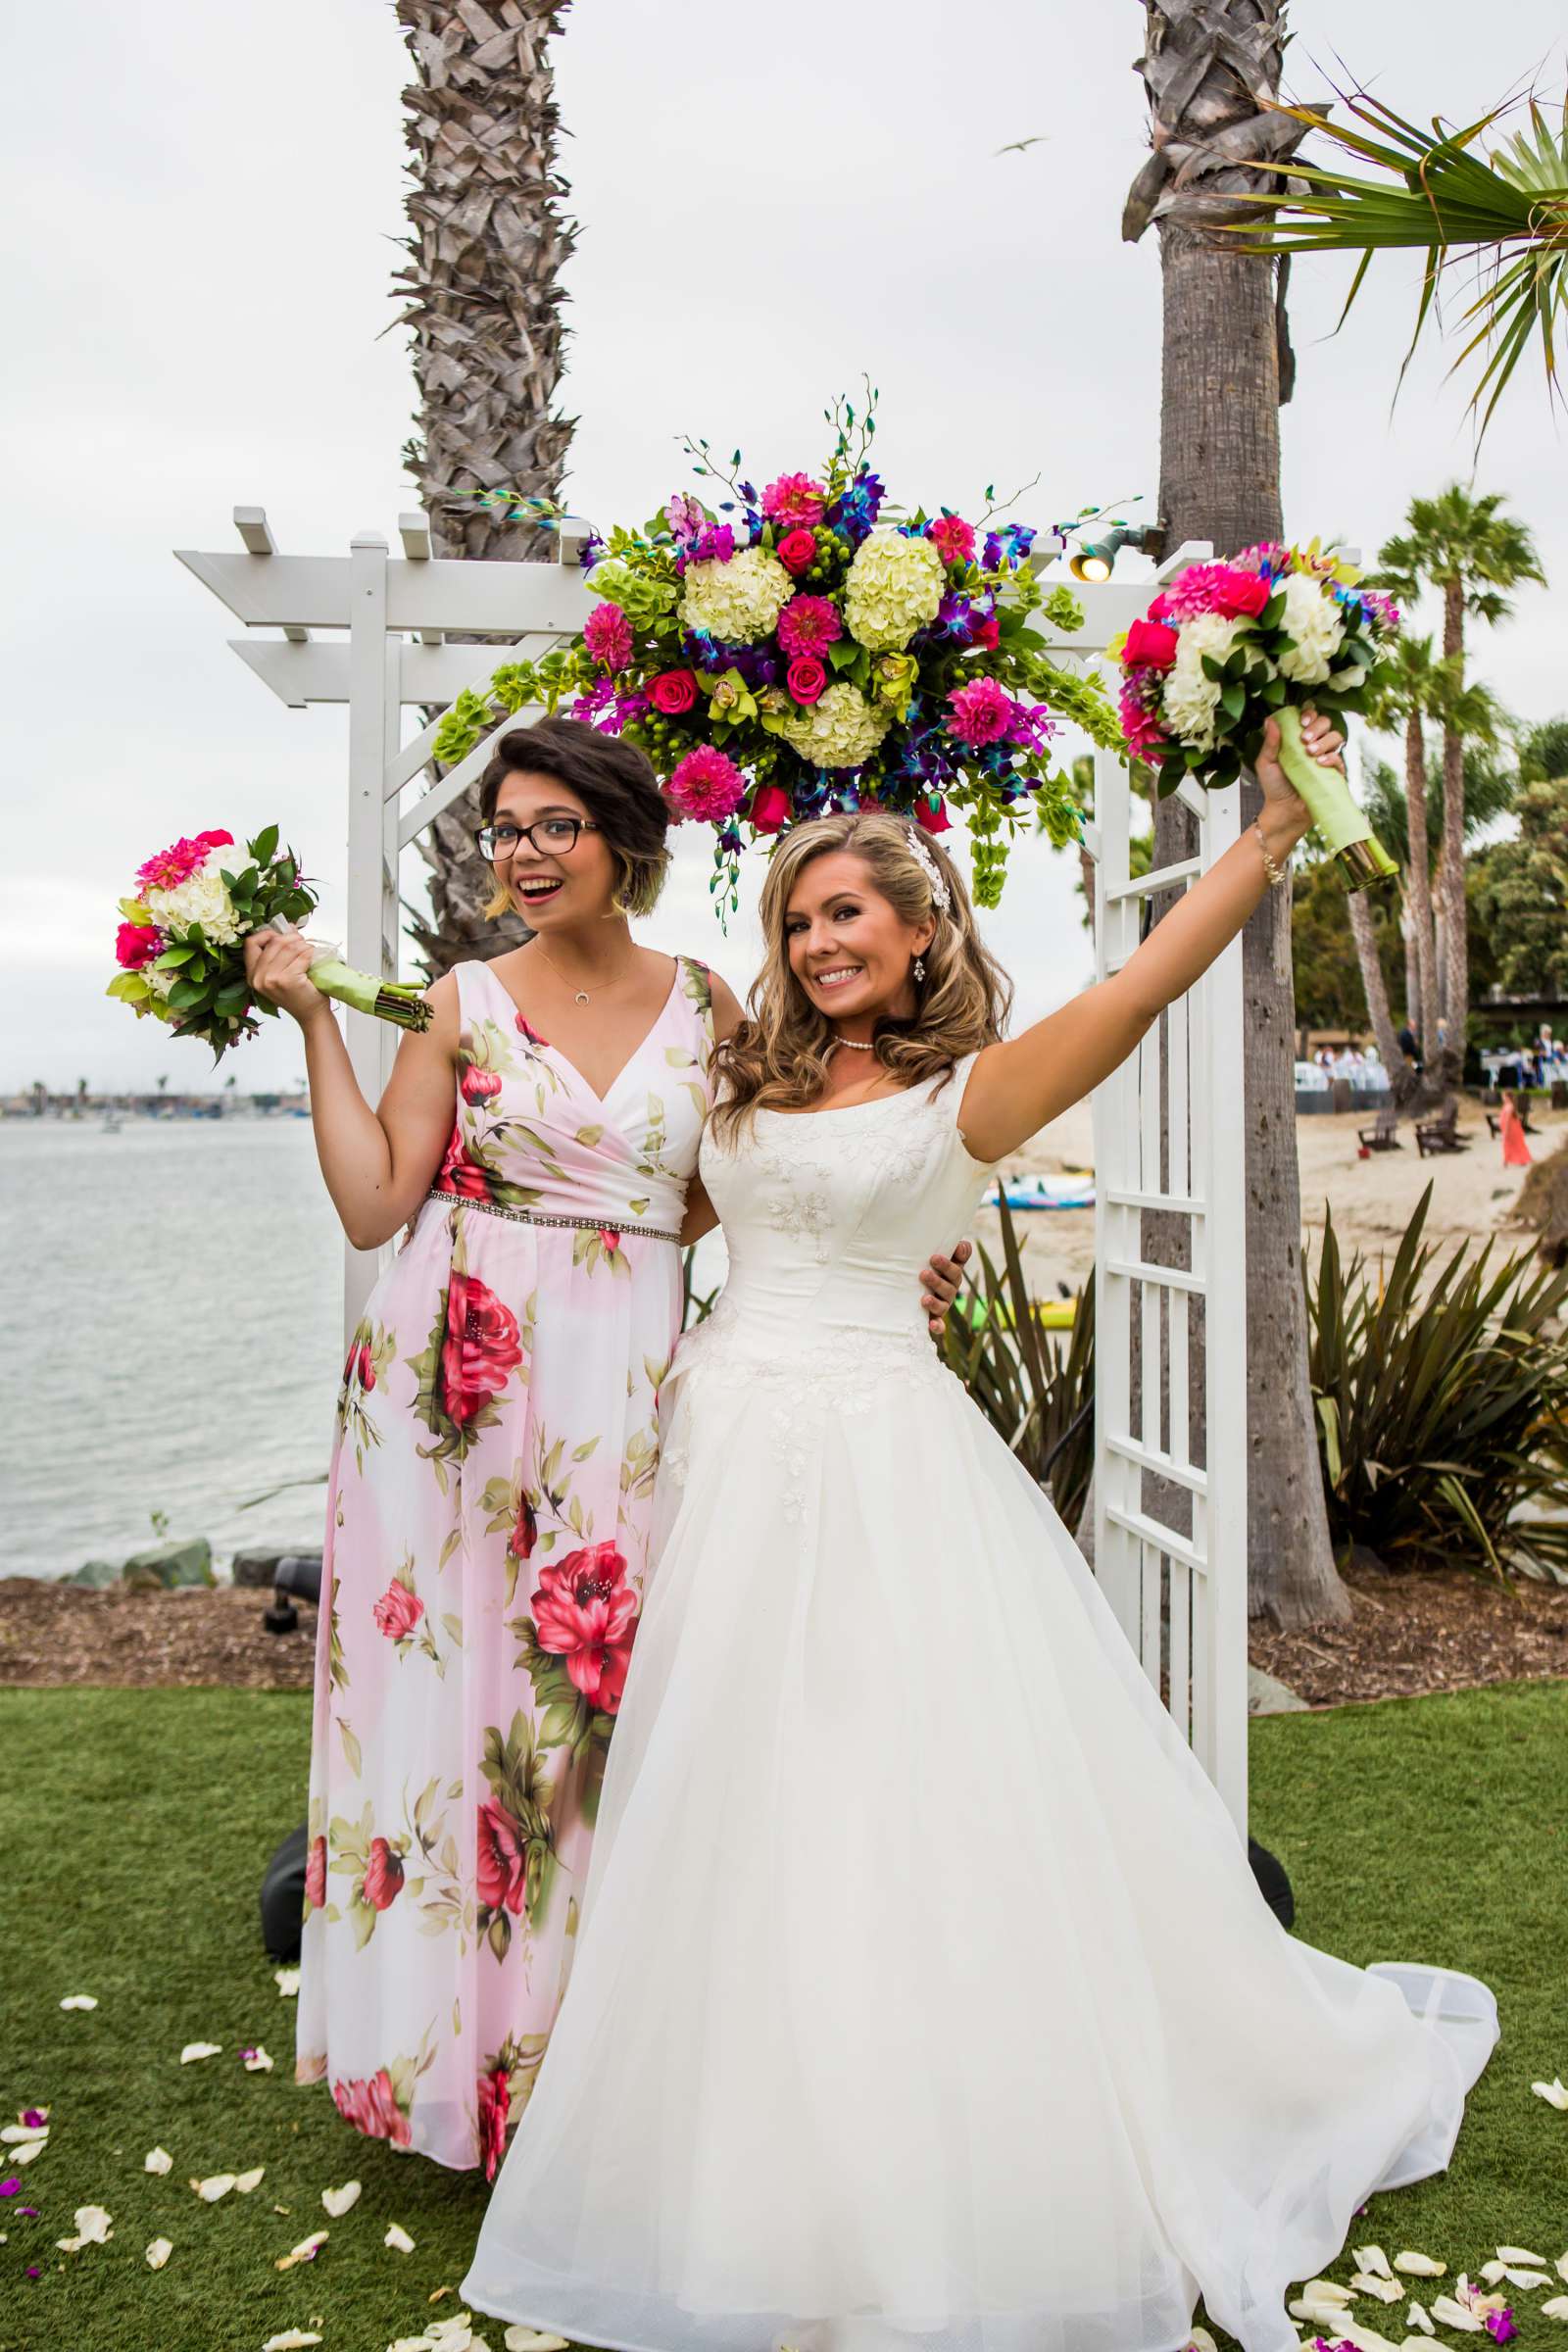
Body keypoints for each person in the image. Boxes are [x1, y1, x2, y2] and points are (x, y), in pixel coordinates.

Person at [464, 709, 1496, 2352]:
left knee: (896, 1801)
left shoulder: (976, 1093)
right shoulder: (746, 1068)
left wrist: (1267, 838)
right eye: (799, 921)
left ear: (925, 930)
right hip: (717, 1446)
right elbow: (652, 1207)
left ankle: (938, 2140)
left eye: (850, 915)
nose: (819, 942)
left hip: (883, 1462)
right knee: (735, 1803)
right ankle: (748, 2152)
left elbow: (1141, 985)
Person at [244, 715, 968, 2172]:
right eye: (507, 828)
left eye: (553, 825)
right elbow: (376, 1200)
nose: (524, 852)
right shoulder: (457, 999)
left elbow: (763, 1177)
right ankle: (449, 2067)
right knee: (449, 1708)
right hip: (447, 1390)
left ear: (621, 838)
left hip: (630, 1380)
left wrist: (897, 1256)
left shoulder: (713, 1006)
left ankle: (595, 2067)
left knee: (598, 1715)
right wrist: (320, 1021)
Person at [1498, 1089, 1533, 1169]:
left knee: (1510, 1144)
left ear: (1507, 1097)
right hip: (1511, 1129)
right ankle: (1518, 1160)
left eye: (1503, 1096)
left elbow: (1507, 1120)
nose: (1502, 1098)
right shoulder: (1507, 1105)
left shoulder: (1509, 1106)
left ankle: (1507, 1161)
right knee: (1513, 1145)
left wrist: (1506, 1131)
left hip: (1511, 1130)